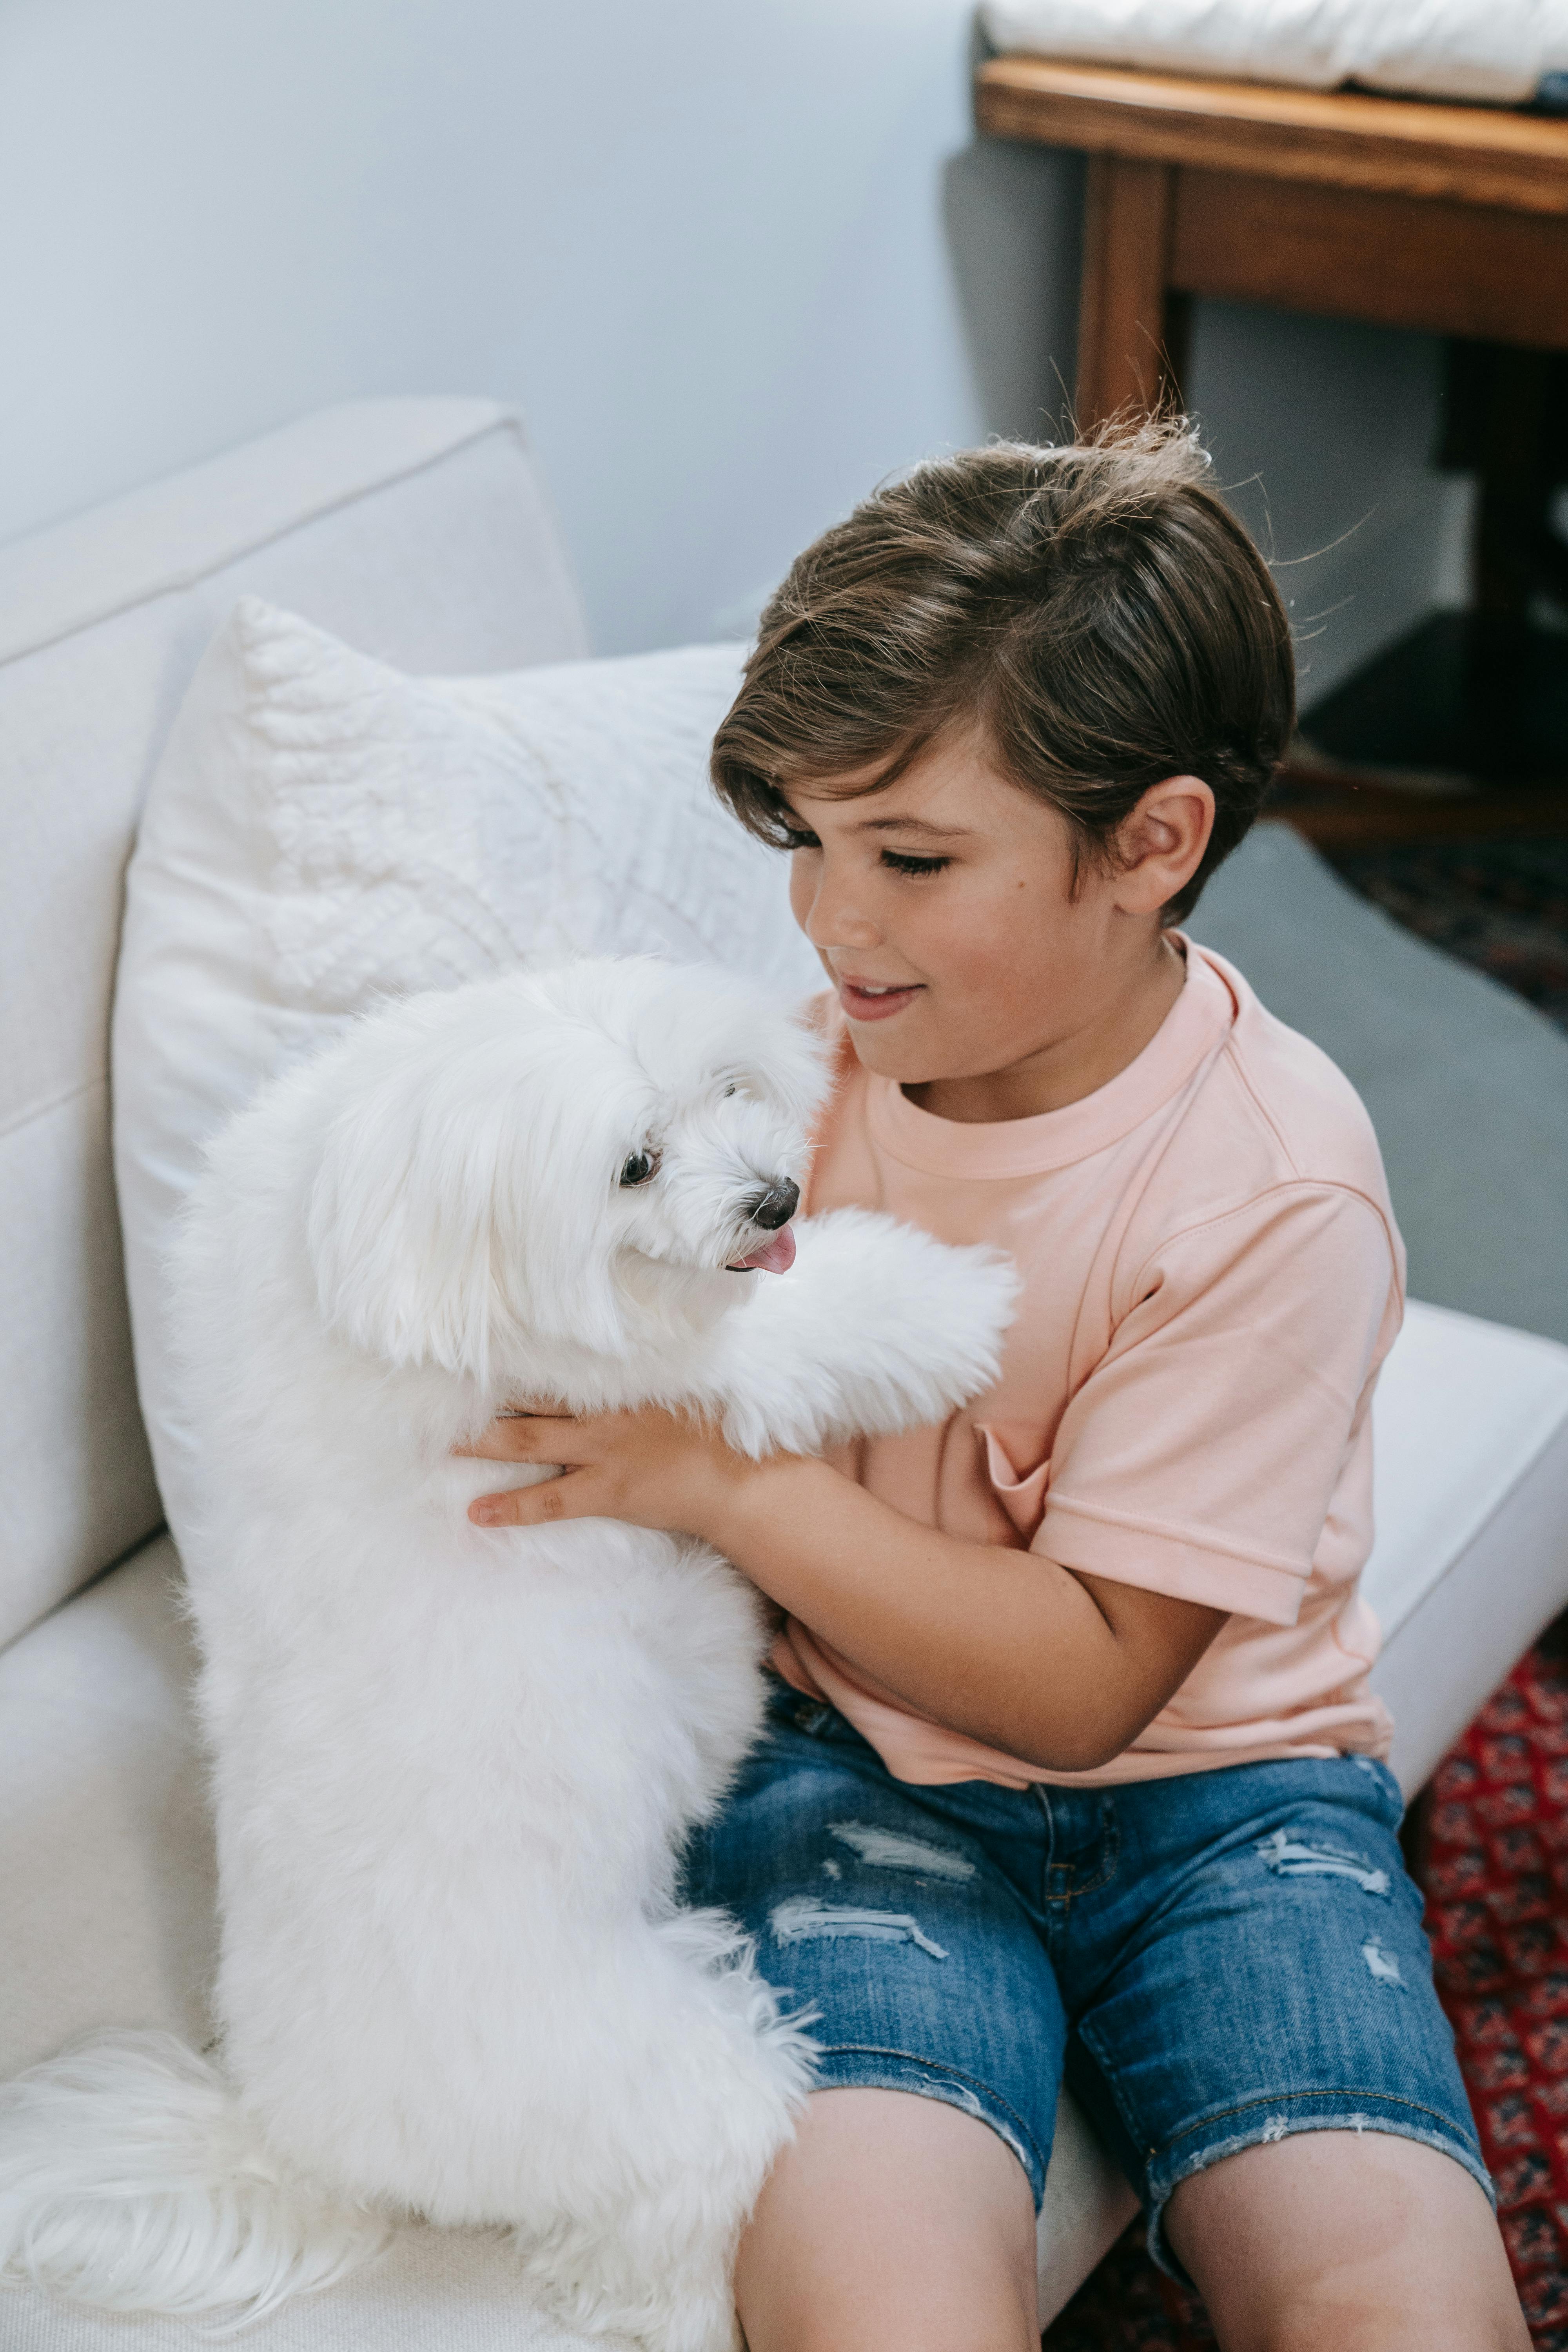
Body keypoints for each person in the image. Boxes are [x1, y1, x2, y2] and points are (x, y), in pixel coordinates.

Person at [465, 423, 1528, 2350]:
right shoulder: (790, 1092)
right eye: (805, 840)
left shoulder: (1272, 1189)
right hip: (848, 1774)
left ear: (1153, 844)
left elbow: (1086, 1675)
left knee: (1394, 2289)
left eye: (912, 857)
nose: (829, 920)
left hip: (1227, 1803)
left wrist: (734, 1492)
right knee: (875, 2282)